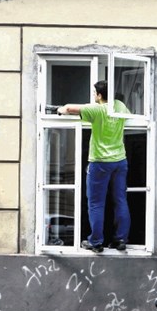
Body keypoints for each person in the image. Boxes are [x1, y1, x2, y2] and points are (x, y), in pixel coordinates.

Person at [57, 81, 130, 253]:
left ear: (99, 95)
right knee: (120, 200)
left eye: (94, 93)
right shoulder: (119, 105)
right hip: (120, 160)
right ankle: (120, 239)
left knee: (96, 203)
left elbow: (67, 108)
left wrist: (59, 110)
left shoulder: (96, 109)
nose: (93, 95)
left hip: (100, 163)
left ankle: (96, 242)